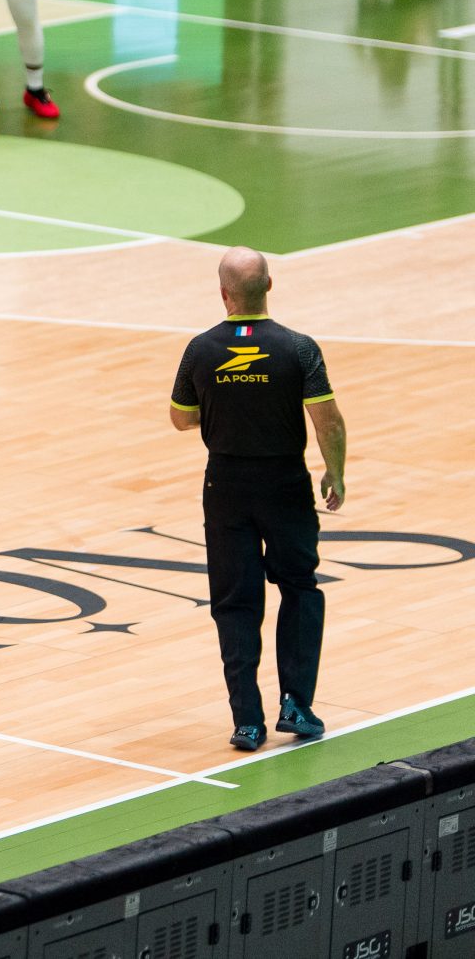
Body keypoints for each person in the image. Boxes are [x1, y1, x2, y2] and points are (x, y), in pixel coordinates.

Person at [170, 246, 341, 752]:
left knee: (234, 602)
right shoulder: (299, 348)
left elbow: (180, 417)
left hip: (225, 487)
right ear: (269, 286)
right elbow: (327, 418)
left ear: (223, 293)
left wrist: (228, 406)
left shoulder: (200, 350)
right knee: (299, 587)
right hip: (285, 483)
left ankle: (247, 721)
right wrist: (336, 470)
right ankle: (297, 704)